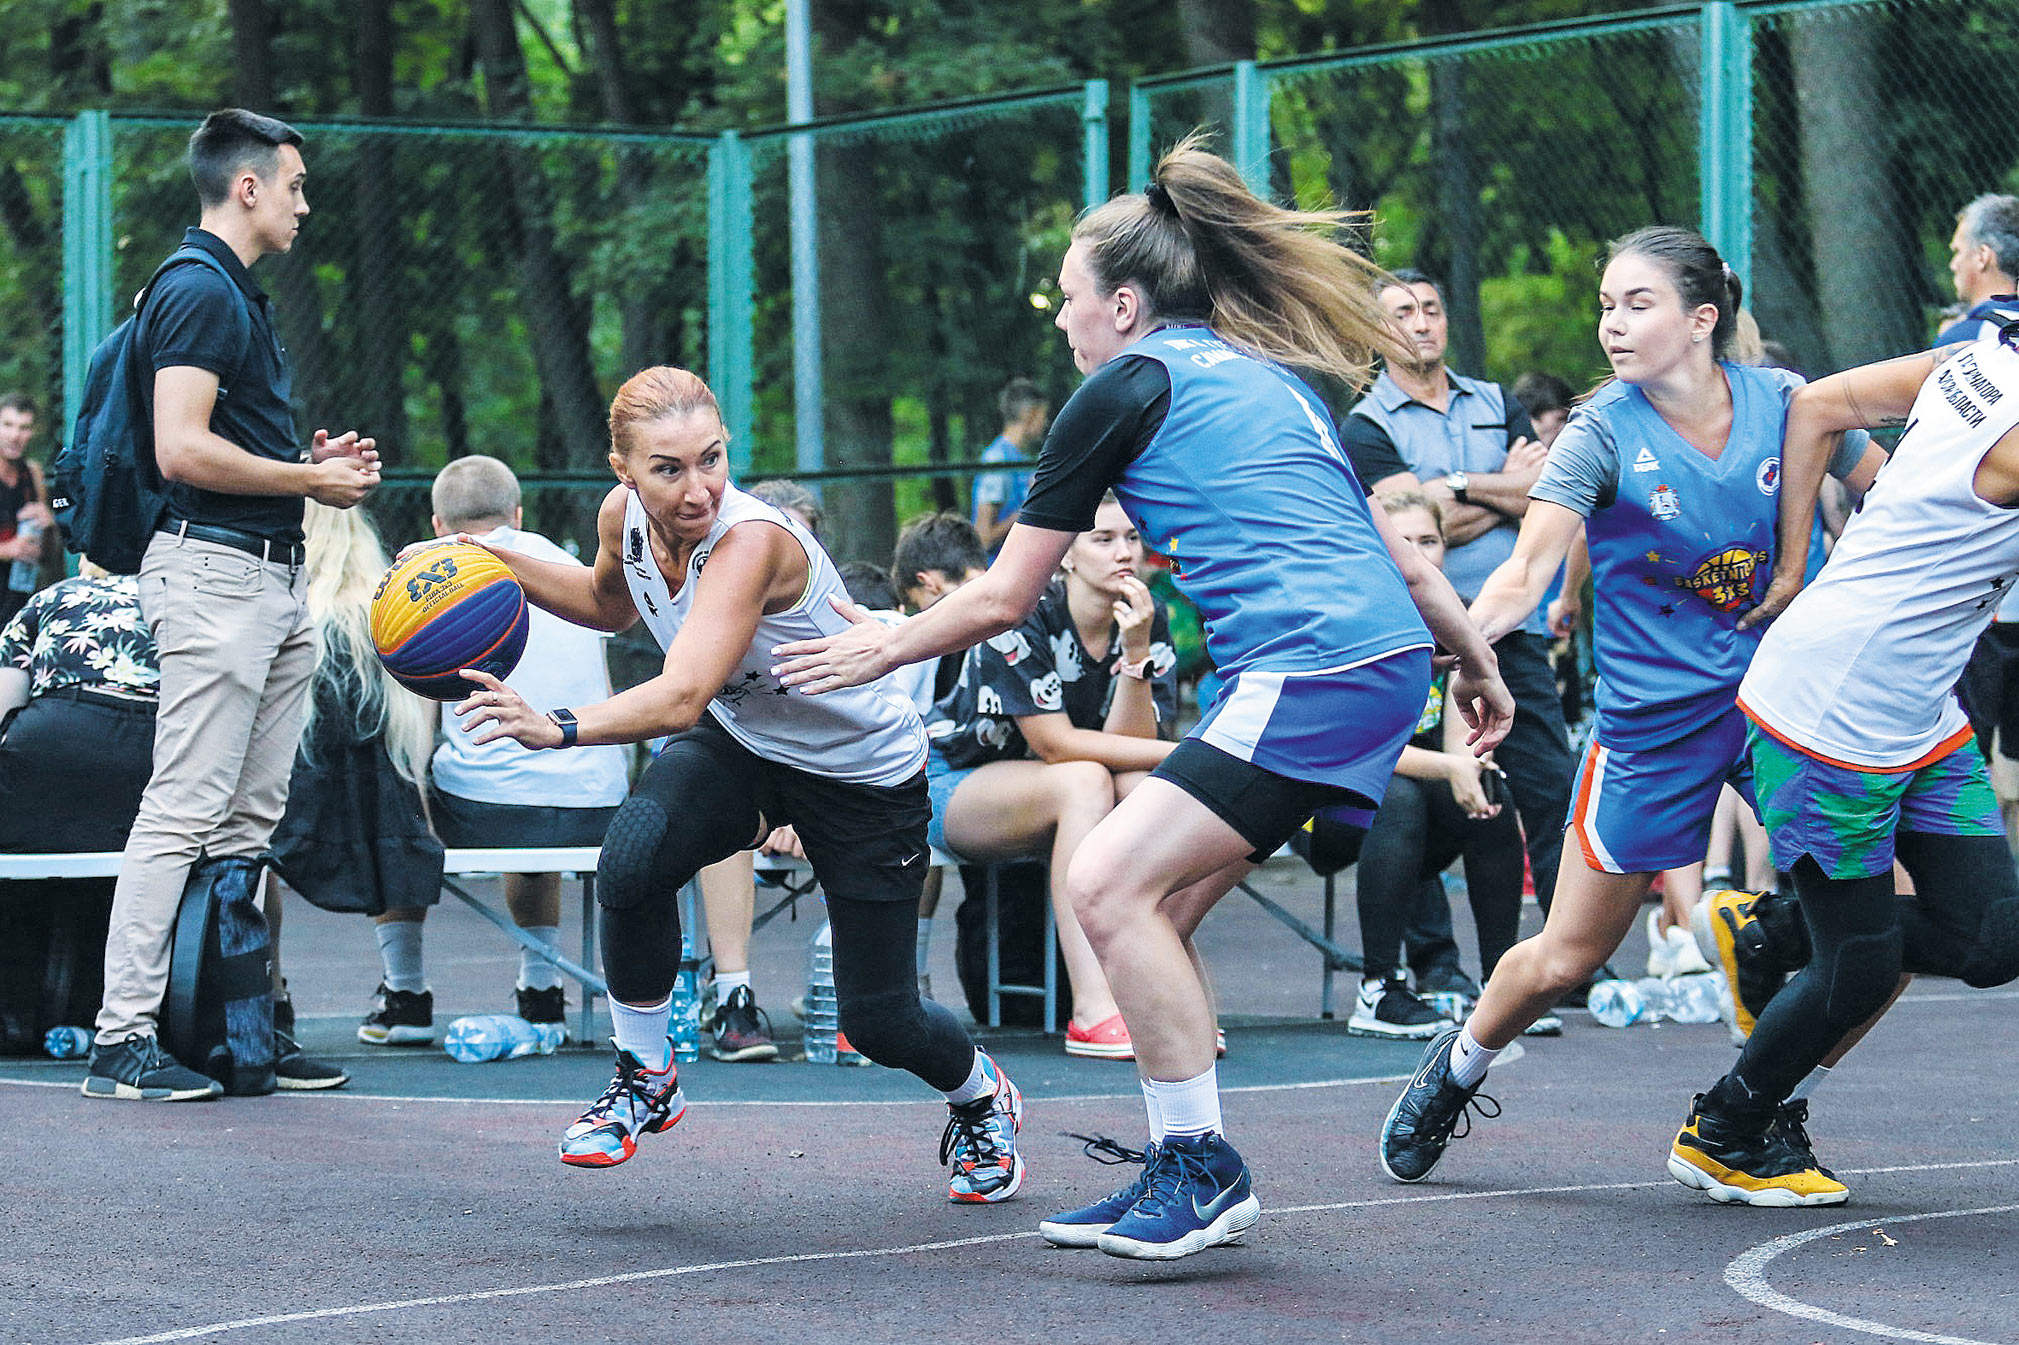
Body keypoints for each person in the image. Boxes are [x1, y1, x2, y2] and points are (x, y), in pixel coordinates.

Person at [774, 136, 1513, 1260]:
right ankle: (1184, 1157)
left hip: (1309, 669)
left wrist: (877, 650)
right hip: (1369, 665)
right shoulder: (1271, 380)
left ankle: (1203, 1169)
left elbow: (1001, 595)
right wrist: (1471, 658)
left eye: (1066, 297)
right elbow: (1400, 557)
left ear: (1122, 305)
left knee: (1104, 880)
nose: (1060, 321)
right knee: (1150, 910)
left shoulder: (1121, 388)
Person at [1376, 226, 1882, 1188]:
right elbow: (1524, 570)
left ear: (1701, 318)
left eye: (1635, 304)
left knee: (1879, 933)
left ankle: (1754, 1105)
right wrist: (1465, 643)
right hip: (1655, 725)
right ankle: (1459, 1064)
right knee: (1566, 956)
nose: (1610, 323)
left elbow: (1891, 498)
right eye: (1605, 305)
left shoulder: (1790, 403)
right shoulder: (1601, 430)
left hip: (1783, 705)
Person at [448, 365, 1027, 1204]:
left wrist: (558, 723)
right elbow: (608, 605)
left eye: (711, 459)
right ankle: (645, 1074)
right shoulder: (622, 518)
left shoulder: (751, 542)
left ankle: (980, 1095)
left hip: (859, 771)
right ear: (623, 471)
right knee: (632, 859)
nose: (697, 489)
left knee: (879, 1019)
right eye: (668, 468)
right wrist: (482, 560)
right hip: (747, 742)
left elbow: (682, 693)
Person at [1676, 333, 2019, 1206]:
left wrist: (1799, 563)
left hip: (1919, 712)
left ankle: (1771, 931)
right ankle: (1723, 1133)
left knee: (1994, 937)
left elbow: (1816, 404)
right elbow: (1812, 407)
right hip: (1828, 715)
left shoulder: (1973, 361)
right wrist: (1794, 562)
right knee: (1860, 966)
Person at [83, 108, 380, 1103]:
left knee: (248, 821)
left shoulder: (232, 293)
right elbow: (180, 448)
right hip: (214, 577)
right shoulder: (199, 289)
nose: (304, 203)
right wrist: (309, 482)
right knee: (182, 810)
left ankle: (238, 1031)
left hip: (270, 577)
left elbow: (221, 445)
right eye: (294, 185)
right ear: (247, 187)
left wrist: (304, 468)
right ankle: (120, 1039)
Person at [354, 457, 630, 1046]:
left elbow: (411, 724)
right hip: (597, 803)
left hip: (489, 810)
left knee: (385, 801)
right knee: (532, 788)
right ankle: (542, 992)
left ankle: (405, 994)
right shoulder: (571, 569)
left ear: (437, 523)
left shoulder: (421, 578)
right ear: (518, 515)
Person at [1343, 270, 1577, 946]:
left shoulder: (1497, 400)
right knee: (1421, 798)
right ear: (1377, 331)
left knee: (1552, 789)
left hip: (1510, 629)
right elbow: (1413, 525)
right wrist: (1502, 489)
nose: (1421, 323)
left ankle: (1568, 958)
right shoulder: (1364, 425)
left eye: (1431, 309)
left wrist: (1454, 487)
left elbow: (1545, 495)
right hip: (1420, 637)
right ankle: (1433, 962)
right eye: (1403, 313)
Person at [926, 493, 1179, 1058]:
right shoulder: (1022, 611)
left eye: (1132, 538)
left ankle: (1158, 1001)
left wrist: (1136, 653)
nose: (1124, 553)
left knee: (1138, 790)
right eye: (1103, 539)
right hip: (956, 784)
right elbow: (1055, 744)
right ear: (1065, 554)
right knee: (1086, 780)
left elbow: (1131, 748)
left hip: (1067, 791)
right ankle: (1092, 1009)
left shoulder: (1148, 616)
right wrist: (1183, 756)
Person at [1344, 492, 1523, 1040]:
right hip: (1324, 799)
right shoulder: (1351, 616)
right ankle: (1379, 988)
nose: (1419, 553)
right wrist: (1450, 770)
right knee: (1396, 795)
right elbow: (1360, 750)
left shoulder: (1455, 616)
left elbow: (1462, 741)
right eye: (1404, 542)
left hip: (1412, 799)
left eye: (1429, 540)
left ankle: (1503, 985)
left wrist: (1469, 768)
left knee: (1492, 791)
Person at [0, 567, 158, 855]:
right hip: (155, 751)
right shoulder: (180, 603)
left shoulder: (54, 595)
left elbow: (5, 704)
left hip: (53, 734)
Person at [972, 378, 1049, 553]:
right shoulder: (997, 460)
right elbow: (983, 538)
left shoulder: (1021, 459)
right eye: (1043, 415)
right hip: (995, 564)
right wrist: (1032, 507)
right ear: (1030, 414)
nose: (1045, 423)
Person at [1937, 194, 2019, 346]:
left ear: (1982, 256)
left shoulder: (1961, 337)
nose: (1953, 265)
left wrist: (1954, 335)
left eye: (1958, 251)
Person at [0, 392, 50, 628]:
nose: (15, 436)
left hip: (20, 599)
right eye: (8, 425)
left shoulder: (33, 474)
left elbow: (47, 555)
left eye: (24, 428)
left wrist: (50, 523)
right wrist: (7, 549)